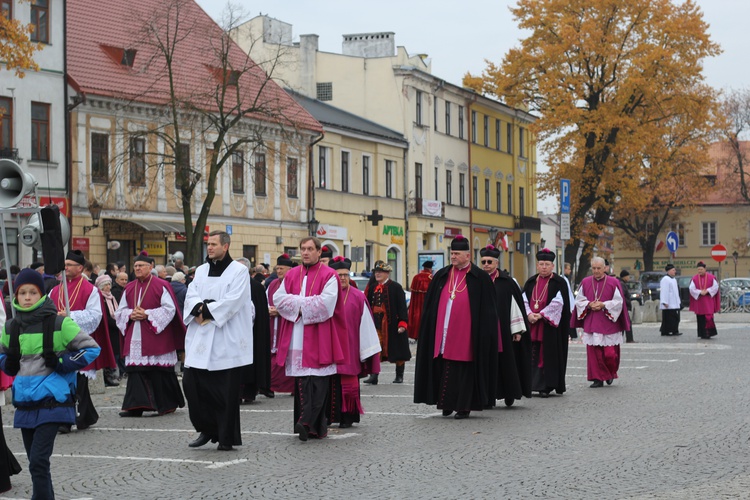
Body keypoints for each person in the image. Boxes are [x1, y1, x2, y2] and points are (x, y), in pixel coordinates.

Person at [0, 269, 99, 499]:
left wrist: (64, 361)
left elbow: (92, 348)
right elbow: (2, 354)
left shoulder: (60, 323)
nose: (27, 297)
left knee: (38, 462)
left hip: (54, 403)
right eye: (22, 292)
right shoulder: (11, 327)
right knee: (38, 466)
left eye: (32, 292)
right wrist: (8, 363)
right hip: (25, 403)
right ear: (15, 296)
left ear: (42, 294)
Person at [183, 231, 254, 451]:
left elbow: (233, 301)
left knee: (223, 393)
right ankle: (207, 428)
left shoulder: (239, 271)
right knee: (193, 388)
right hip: (200, 337)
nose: (210, 247)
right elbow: (191, 294)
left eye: (214, 244)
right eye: (208, 244)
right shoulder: (202, 271)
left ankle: (225, 436)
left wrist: (206, 309)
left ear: (226, 246)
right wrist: (200, 307)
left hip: (226, 339)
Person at [413, 235, 498, 419]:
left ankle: (463, 406)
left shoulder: (480, 277)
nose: (453, 256)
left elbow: (489, 312)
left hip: (467, 335)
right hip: (443, 331)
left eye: (457, 253)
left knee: (463, 371)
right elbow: (430, 306)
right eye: (451, 253)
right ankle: (445, 403)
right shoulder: (442, 276)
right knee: (443, 367)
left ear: (467, 256)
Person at [273, 236, 346, 441]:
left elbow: (326, 304)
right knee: (303, 380)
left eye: (310, 249)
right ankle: (306, 422)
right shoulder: (292, 274)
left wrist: (296, 302)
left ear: (318, 252)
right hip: (297, 334)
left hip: (320, 334)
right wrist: (303, 303)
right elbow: (279, 299)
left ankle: (311, 423)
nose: (305, 252)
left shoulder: (329, 275)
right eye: (303, 249)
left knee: (319, 382)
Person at [49, 250, 116, 433]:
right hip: (59, 344)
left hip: (80, 342)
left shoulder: (90, 290)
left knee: (78, 382)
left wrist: (68, 317)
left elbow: (95, 316)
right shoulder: (55, 290)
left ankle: (69, 419)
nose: (66, 267)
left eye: (70, 264)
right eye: (65, 264)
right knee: (64, 381)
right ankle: (85, 416)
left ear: (80, 268)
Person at [115, 254, 186, 417]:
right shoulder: (129, 287)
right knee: (136, 371)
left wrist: (146, 314)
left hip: (156, 334)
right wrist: (131, 314)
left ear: (150, 267)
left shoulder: (161, 285)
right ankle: (136, 406)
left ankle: (166, 404)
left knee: (158, 371)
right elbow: (120, 311)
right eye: (136, 266)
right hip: (136, 335)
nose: (138, 268)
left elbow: (170, 309)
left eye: (141, 265)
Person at [329, 257, 381, 428]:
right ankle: (329, 416)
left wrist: (366, 351)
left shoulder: (358, 297)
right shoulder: (326, 295)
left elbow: (366, 325)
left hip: (350, 348)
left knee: (347, 383)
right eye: (339, 275)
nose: (343, 278)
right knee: (329, 384)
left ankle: (347, 417)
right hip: (328, 347)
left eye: (345, 275)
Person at [480, 244, 530, 407]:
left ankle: (509, 393)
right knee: (486, 364)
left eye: (489, 262)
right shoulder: (478, 280)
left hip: (503, 331)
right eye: (483, 262)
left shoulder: (507, 282)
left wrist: (517, 330)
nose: (486, 265)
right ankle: (488, 396)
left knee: (506, 363)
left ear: (496, 263)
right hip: (483, 331)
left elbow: (515, 306)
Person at [574, 257, 631, 388]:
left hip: (609, 322)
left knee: (610, 354)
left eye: (599, 268)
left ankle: (610, 373)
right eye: (593, 268)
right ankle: (597, 378)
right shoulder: (586, 282)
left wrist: (603, 305)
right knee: (594, 353)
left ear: (605, 268)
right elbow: (578, 300)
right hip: (592, 320)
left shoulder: (613, 282)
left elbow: (619, 302)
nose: (596, 271)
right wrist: (589, 304)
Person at [522, 248, 571, 397]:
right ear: (537, 265)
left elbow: (559, 303)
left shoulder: (559, 282)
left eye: (547, 264)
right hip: (532, 324)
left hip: (549, 327)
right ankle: (531, 384)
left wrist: (541, 315)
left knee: (547, 355)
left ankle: (546, 386)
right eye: (541, 264)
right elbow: (523, 299)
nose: (544, 267)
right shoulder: (531, 282)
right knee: (531, 354)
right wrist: (529, 314)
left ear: (552, 266)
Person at [363, 262, 410, 385]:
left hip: (392, 325)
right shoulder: (373, 287)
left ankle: (399, 375)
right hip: (376, 324)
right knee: (374, 349)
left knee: (398, 350)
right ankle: (374, 376)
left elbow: (402, 307)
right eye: (376, 272)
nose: (377, 274)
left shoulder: (396, 287)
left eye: (380, 272)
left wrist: (402, 323)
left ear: (387, 273)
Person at [234, 257, 272, 403]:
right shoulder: (232, 285)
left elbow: (260, 314)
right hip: (236, 335)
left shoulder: (256, 288)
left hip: (253, 335)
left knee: (251, 363)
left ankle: (249, 393)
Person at [266, 254, 295, 396]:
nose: (279, 271)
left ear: (290, 269)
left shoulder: (295, 283)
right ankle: (271, 385)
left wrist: (281, 311)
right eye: (277, 268)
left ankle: (293, 386)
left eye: (282, 268)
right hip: (273, 323)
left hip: (287, 323)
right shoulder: (272, 284)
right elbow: (265, 299)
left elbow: (298, 302)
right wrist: (268, 309)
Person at [95, 275, 121, 387]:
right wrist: (117, 324)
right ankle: (108, 376)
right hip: (108, 329)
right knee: (108, 352)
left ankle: (113, 374)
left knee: (115, 353)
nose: (108, 287)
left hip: (115, 329)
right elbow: (104, 316)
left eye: (109, 284)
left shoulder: (112, 297)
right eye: (106, 285)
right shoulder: (100, 297)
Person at [689, 261, 721, 339]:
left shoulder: (711, 277)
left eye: (701, 269)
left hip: (708, 300)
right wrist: (700, 292)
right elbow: (691, 289)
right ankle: (702, 333)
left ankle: (709, 333)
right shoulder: (694, 278)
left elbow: (715, 287)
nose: (700, 271)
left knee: (709, 317)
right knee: (700, 318)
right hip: (699, 301)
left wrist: (707, 291)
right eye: (698, 269)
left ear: (705, 269)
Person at [407, 260, 433, 340]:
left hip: (416, 304)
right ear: (430, 268)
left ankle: (415, 334)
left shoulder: (416, 277)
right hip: (426, 303)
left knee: (416, 316)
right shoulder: (431, 277)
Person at [659, 264, 682, 337]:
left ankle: (674, 330)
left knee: (675, 318)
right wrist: (665, 301)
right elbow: (664, 291)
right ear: (669, 271)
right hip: (668, 303)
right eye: (673, 270)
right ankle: (666, 331)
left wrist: (678, 301)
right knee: (668, 318)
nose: (675, 271)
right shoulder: (665, 279)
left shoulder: (673, 279)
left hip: (674, 303)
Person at [619, 270, 636, 343]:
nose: (629, 278)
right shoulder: (622, 284)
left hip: (623, 306)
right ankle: (629, 339)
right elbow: (622, 295)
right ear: (624, 277)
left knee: (623, 323)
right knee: (627, 322)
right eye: (628, 276)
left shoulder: (622, 283)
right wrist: (628, 302)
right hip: (623, 307)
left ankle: (621, 338)